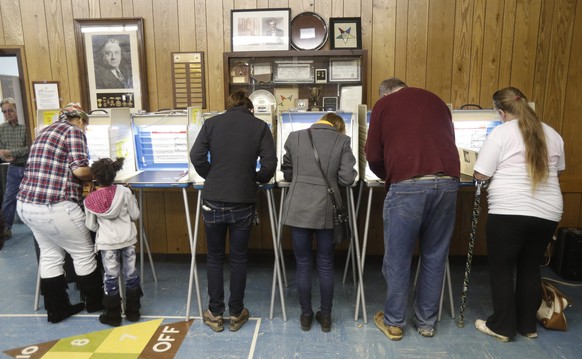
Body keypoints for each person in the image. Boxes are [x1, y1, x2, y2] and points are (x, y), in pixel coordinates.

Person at [365, 78, 460, 340]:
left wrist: (390, 175)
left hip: (408, 186)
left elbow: (373, 155)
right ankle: (426, 323)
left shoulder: (384, 106)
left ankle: (395, 322)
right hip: (448, 183)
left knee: (398, 258)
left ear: (384, 94)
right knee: (434, 255)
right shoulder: (437, 101)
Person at [473, 87, 565, 342]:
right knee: (529, 267)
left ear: (500, 112)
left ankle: (502, 327)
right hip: (548, 212)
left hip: (509, 211)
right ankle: (528, 325)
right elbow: (558, 172)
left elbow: (481, 174)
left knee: (502, 269)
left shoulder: (501, 133)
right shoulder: (552, 133)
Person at [190, 89, 277, 332]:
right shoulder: (259, 126)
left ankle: (215, 314)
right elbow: (269, 163)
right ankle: (237, 313)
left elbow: (196, 155)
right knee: (238, 258)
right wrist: (254, 178)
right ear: (250, 107)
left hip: (213, 199)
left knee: (215, 258)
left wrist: (212, 175)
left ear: (228, 106)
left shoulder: (212, 123)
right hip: (243, 200)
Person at [16, 103, 104, 323]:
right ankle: (95, 303)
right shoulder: (74, 132)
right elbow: (80, 170)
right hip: (55, 205)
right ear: (82, 120)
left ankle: (57, 309)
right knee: (84, 252)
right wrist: (103, 170)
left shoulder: (45, 131)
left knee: (50, 254)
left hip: (27, 205)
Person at [281, 113, 357, 332]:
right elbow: (347, 179)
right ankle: (325, 318)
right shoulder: (342, 141)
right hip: (327, 210)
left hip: (298, 209)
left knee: (303, 264)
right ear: (338, 127)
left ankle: (305, 316)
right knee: (325, 264)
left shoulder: (294, 137)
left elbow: (287, 173)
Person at [84, 157, 142, 327]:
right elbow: (135, 215)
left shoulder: (90, 199)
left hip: (107, 243)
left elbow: (91, 226)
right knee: (131, 275)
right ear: (114, 174)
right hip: (127, 239)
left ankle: (113, 314)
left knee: (110, 277)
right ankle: (133, 311)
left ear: (95, 177)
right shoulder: (124, 192)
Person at [0, 97, 29, 238]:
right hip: (13, 167)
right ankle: (5, 229)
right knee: (9, 199)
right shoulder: (2, 128)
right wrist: (3, 156)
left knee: (32, 198)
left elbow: (30, 148)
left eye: (10, 110)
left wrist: (12, 152)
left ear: (17, 110)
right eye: (4, 112)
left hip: (28, 167)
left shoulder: (26, 126)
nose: (7, 114)